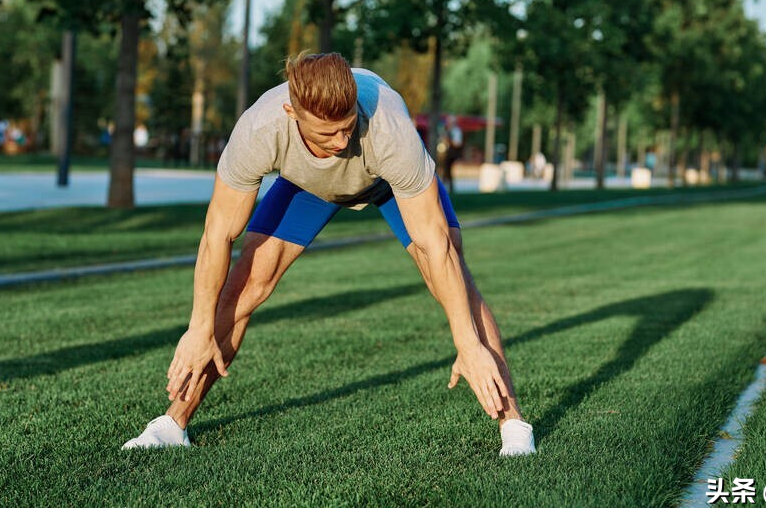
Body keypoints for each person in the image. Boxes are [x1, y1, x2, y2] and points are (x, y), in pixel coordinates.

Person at [122, 52, 535, 456]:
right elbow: (217, 236)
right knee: (246, 285)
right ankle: (173, 424)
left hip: (385, 180)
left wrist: (466, 343)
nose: (341, 143)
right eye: (326, 134)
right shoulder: (260, 128)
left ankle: (514, 425)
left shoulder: (387, 127)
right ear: (292, 112)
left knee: (451, 275)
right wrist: (198, 328)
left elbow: (436, 244)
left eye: (347, 128)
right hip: (307, 186)